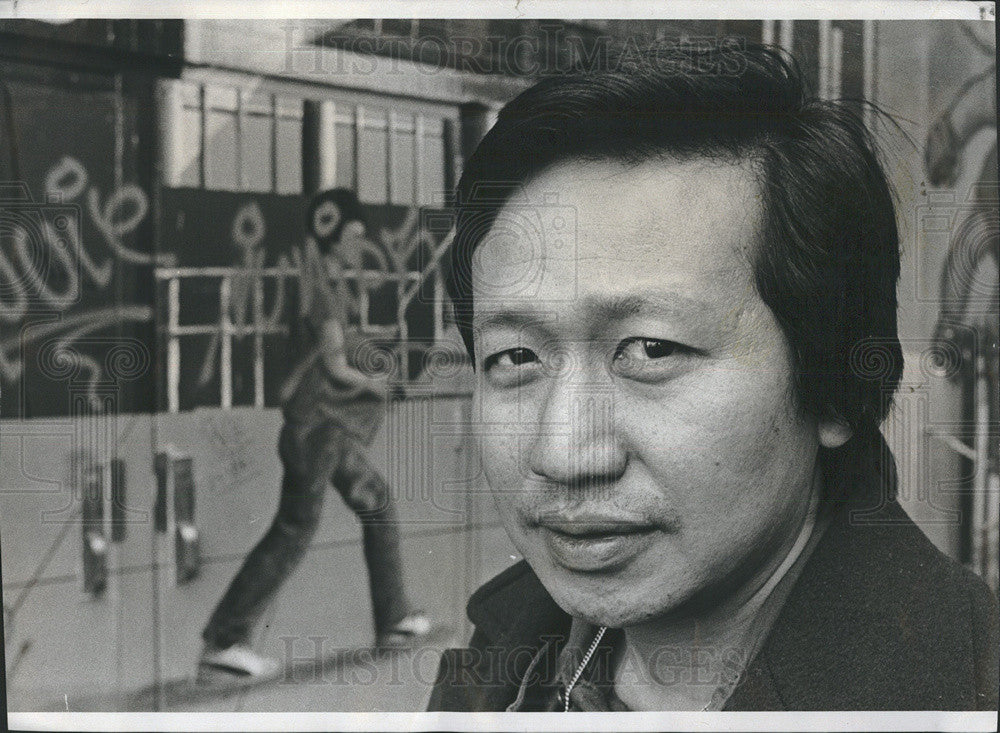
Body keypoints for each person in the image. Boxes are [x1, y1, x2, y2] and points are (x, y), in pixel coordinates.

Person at [427, 43, 999, 711]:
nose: (562, 452)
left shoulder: (963, 692)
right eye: (516, 357)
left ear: (835, 382)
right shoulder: (507, 647)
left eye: (650, 349)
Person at [198, 189, 430, 683]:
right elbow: (335, 367)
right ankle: (225, 638)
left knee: (376, 504)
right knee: (294, 531)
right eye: (352, 236)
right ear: (333, 235)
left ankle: (396, 620)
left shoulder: (318, 281)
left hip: (321, 429)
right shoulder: (323, 290)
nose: (359, 244)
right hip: (320, 429)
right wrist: (379, 383)